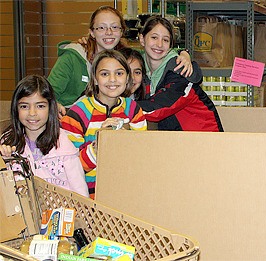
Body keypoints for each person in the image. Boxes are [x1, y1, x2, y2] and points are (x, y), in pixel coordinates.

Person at [47, 6, 192, 116]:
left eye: (114, 27)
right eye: (102, 28)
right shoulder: (73, 57)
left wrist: (183, 53)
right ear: (92, 32)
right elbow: (46, 94)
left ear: (122, 31)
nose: (109, 33)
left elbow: (153, 52)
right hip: (69, 120)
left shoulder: (122, 57)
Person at [61, 50, 147, 199]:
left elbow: (142, 157)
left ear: (128, 78)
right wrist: (98, 144)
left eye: (119, 73)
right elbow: (70, 168)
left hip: (126, 194)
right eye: (105, 74)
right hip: (88, 197)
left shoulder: (133, 110)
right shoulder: (77, 114)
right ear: (94, 79)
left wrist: (127, 140)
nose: (112, 80)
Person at [0, 75, 89, 197]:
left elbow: (80, 191)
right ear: (16, 109)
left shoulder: (63, 145)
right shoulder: (8, 141)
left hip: (59, 212)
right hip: (22, 212)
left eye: (40, 106)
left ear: (50, 107)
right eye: (24, 106)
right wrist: (4, 161)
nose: (32, 113)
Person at [137, 16, 223, 131]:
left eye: (166, 40)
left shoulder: (181, 71)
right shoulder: (139, 68)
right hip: (176, 137)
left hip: (203, 138)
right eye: (154, 37)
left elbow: (160, 107)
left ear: (171, 45)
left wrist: (122, 108)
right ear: (142, 39)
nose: (159, 44)